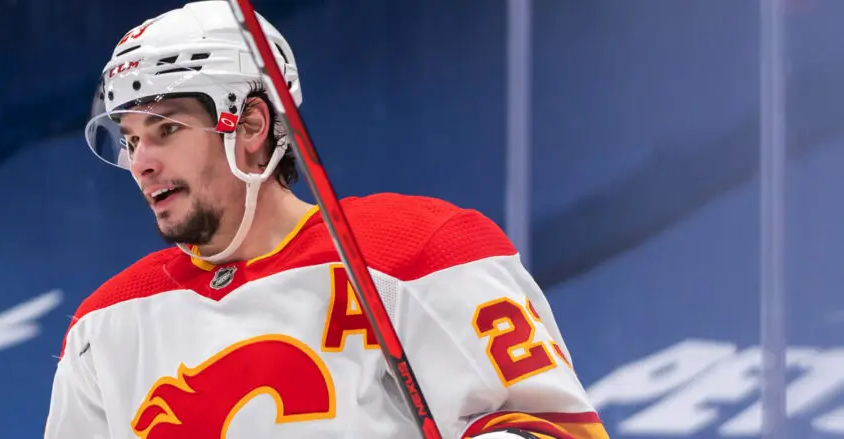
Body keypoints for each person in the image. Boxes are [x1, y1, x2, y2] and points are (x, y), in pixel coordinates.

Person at [44, 1, 609, 438]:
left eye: (165, 129)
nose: (141, 162)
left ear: (249, 124)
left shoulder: (416, 252)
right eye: (129, 140)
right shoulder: (105, 326)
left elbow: (555, 429)